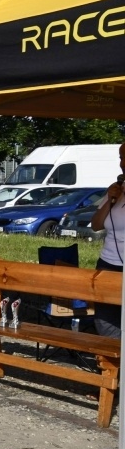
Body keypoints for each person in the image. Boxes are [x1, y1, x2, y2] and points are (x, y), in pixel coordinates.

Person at [90, 141, 125, 340]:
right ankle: (116, 362)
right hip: (108, 264)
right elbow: (96, 225)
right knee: (105, 319)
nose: (122, 163)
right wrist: (110, 199)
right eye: (120, 157)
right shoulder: (116, 189)